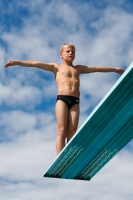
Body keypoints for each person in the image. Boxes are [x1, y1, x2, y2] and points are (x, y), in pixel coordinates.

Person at [4, 42, 125, 154]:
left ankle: (70, 157)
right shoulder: (56, 67)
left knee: (72, 132)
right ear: (61, 54)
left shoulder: (79, 69)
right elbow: (36, 63)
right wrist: (17, 62)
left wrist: (114, 69)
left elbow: (96, 69)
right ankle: (59, 158)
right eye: (68, 51)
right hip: (62, 100)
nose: (71, 53)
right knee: (62, 130)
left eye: (73, 51)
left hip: (75, 102)